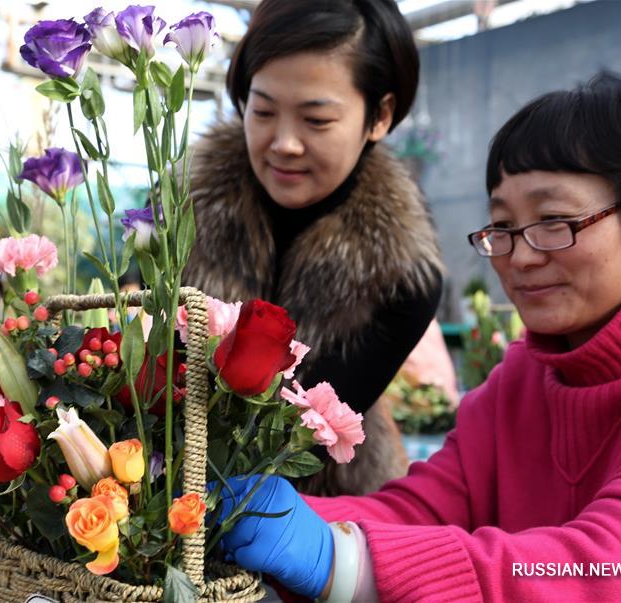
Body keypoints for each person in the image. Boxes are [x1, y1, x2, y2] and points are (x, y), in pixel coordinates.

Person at [213, 73, 621, 601]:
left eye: (555, 221)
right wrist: (259, 514)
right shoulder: (520, 382)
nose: (522, 256)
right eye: (504, 227)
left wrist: (345, 560)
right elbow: (424, 507)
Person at [184, 0, 444, 496]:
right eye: (262, 111)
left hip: (324, 523)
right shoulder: (182, 215)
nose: (283, 143)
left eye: (316, 120)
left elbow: (295, 441)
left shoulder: (402, 274)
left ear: (380, 116)